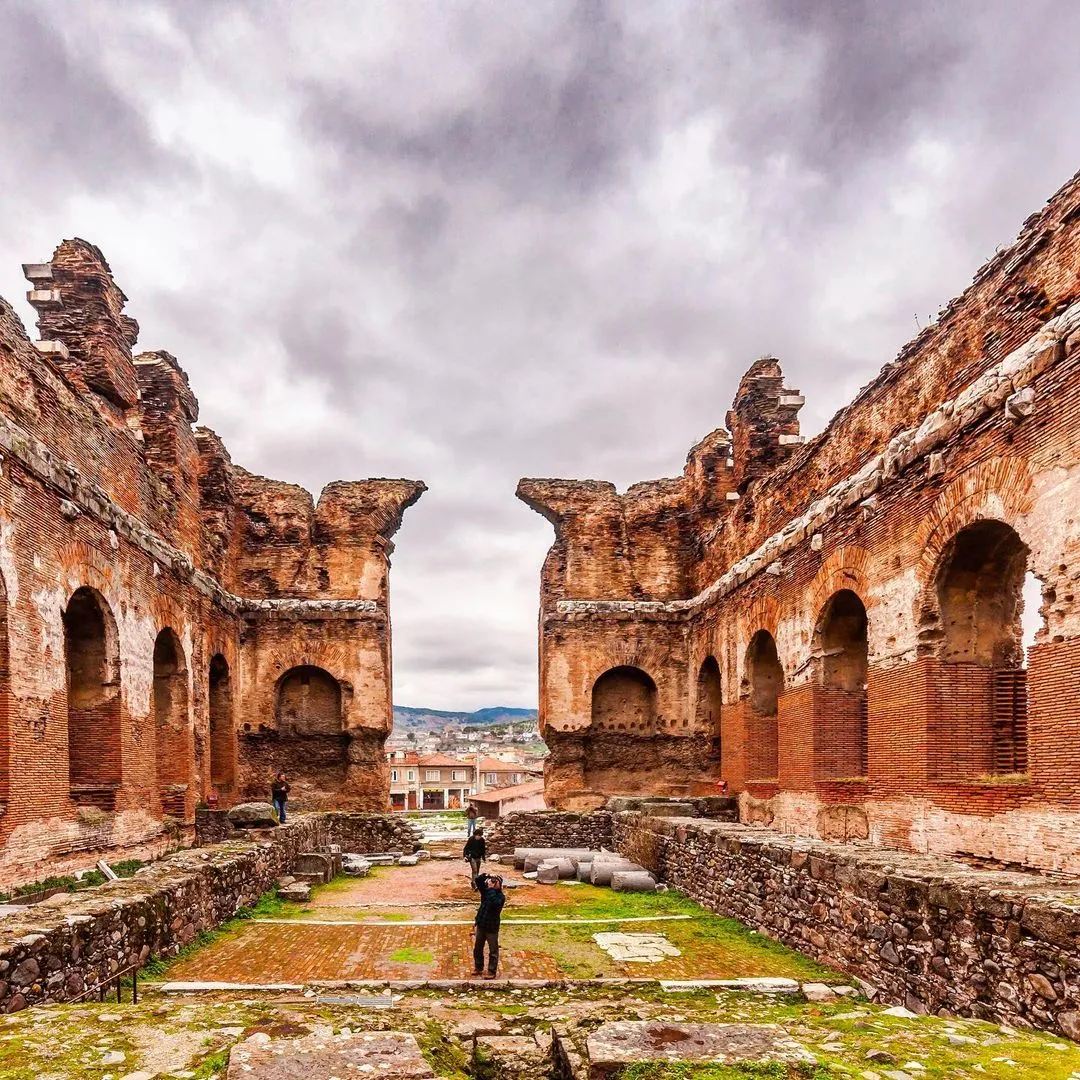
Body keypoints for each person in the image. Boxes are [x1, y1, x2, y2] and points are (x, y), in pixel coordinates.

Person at [472, 872, 505, 979]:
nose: (493, 883)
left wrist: (491, 888)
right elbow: (478, 880)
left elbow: (493, 902)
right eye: (493, 881)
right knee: (478, 948)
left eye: (496, 882)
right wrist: (487, 875)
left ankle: (492, 971)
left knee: (493, 950)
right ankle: (478, 967)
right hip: (481, 925)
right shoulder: (486, 892)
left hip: (492, 927)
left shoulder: (500, 897)